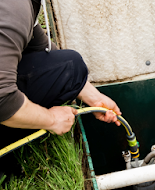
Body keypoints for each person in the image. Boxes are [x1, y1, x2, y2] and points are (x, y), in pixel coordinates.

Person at [0, 0, 121, 149]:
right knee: (72, 66)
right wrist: (51, 120)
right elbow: (2, 99)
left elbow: (40, 49)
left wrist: (95, 98)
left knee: (71, 67)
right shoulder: (15, 8)